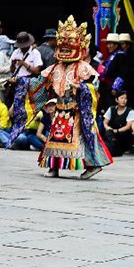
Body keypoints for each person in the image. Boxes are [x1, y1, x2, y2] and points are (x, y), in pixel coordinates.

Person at [32, 16, 112, 179]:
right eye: (62, 41)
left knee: (81, 139)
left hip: (77, 111)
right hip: (59, 109)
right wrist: (22, 83)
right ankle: (54, 167)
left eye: (71, 41)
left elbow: (95, 88)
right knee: (55, 138)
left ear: (81, 45)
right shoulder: (55, 67)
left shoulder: (83, 68)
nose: (65, 45)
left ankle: (92, 166)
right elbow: (38, 84)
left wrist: (82, 88)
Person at [102, 90, 134, 157]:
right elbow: (105, 122)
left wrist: (116, 131)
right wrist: (107, 127)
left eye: (125, 98)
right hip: (112, 133)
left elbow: (128, 126)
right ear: (117, 100)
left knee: (122, 135)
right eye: (121, 98)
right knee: (107, 133)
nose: (124, 100)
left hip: (122, 134)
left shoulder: (130, 111)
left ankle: (113, 150)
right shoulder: (111, 109)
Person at [99, 32, 125, 112]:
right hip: (107, 86)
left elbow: (122, 73)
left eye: (110, 44)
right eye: (108, 44)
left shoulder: (120, 56)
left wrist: (115, 87)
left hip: (113, 87)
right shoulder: (112, 55)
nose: (108, 46)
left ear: (116, 45)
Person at [119, 33, 134, 113]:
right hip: (132, 84)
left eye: (123, 44)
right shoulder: (127, 55)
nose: (122, 46)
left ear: (127, 45)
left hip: (130, 85)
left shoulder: (130, 56)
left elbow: (128, 71)